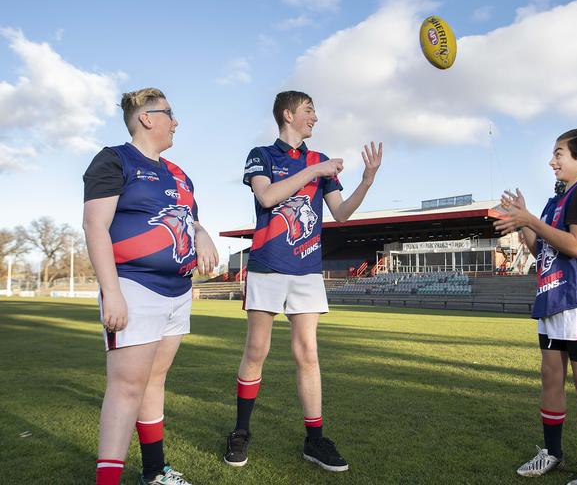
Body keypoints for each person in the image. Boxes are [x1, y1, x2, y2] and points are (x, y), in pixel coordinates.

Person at [223, 90, 382, 472]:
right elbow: (267, 198)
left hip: (307, 271)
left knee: (307, 354)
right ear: (288, 113)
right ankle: (241, 431)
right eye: (309, 110)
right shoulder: (262, 155)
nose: (315, 117)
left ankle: (315, 440)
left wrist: (367, 180)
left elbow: (341, 213)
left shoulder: (320, 160)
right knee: (256, 350)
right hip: (267, 265)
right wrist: (313, 172)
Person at [83, 87, 218, 485]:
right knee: (126, 388)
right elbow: (95, 226)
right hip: (134, 285)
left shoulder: (179, 174)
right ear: (145, 118)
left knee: (154, 381)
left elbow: (186, 218)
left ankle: (155, 471)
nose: (176, 121)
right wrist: (112, 292)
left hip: (178, 290)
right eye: (169, 113)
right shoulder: (115, 159)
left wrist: (202, 230)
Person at [494, 128, 577, 485]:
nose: (552, 160)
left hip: (576, 298)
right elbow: (542, 251)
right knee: (551, 377)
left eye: (559, 153)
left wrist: (531, 221)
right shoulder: (554, 202)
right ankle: (552, 453)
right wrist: (523, 221)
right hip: (551, 297)